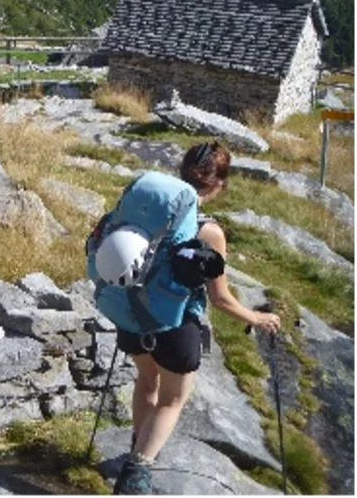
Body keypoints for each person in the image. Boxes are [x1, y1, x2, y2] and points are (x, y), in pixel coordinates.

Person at [113, 141, 282, 495]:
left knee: (147, 381)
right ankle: (136, 474)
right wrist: (256, 318)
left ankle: (140, 444)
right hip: (174, 325)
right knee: (173, 400)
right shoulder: (209, 231)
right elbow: (220, 298)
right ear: (219, 183)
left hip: (131, 313)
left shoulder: (148, 208)